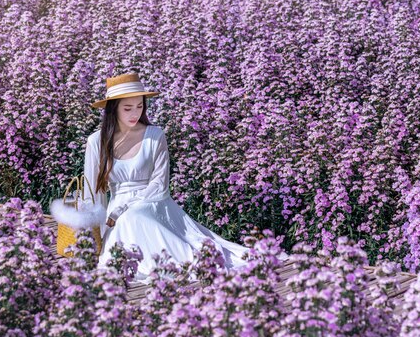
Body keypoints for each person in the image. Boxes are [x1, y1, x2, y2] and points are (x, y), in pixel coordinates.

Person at [83, 72, 283, 282]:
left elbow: (159, 185)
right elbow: (91, 188)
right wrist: (94, 227)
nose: (135, 113)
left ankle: (184, 262)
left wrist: (124, 209)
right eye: (127, 108)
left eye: (139, 106)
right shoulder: (96, 141)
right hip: (116, 210)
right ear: (113, 109)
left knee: (135, 216)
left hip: (152, 201)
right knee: (127, 224)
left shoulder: (154, 135)